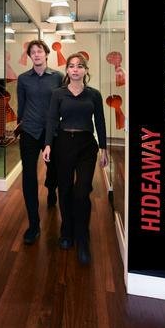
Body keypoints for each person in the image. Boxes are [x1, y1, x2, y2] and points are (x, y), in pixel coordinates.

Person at [43, 52, 108, 265]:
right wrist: (48, 144)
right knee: (65, 190)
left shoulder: (94, 95)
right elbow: (52, 119)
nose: (75, 69)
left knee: (81, 192)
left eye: (80, 66)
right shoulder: (58, 94)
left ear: (85, 70)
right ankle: (66, 232)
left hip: (86, 146)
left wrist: (104, 148)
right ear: (67, 70)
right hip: (63, 144)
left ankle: (83, 238)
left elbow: (100, 121)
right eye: (71, 66)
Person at [16, 39, 63, 245]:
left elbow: (63, 103)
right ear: (30, 56)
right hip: (29, 131)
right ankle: (33, 224)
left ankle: (51, 190)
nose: (36, 54)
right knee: (28, 175)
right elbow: (21, 105)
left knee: (53, 169)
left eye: (39, 51)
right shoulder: (23, 79)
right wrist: (19, 125)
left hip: (51, 132)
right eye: (32, 52)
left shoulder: (58, 77)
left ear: (46, 54)